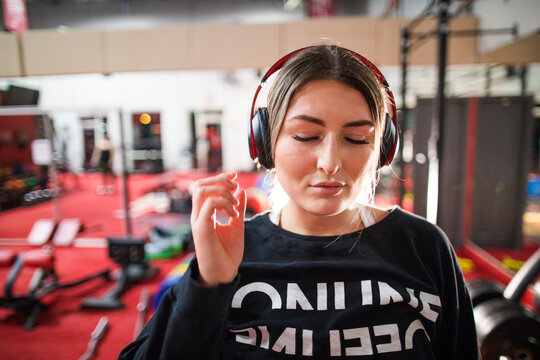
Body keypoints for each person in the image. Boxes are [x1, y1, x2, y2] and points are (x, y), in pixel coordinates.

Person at [119, 45, 478, 359]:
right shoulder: (230, 250)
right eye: (306, 136)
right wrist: (208, 285)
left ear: (383, 150)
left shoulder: (424, 248)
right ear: (265, 143)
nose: (330, 162)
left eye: (357, 138)